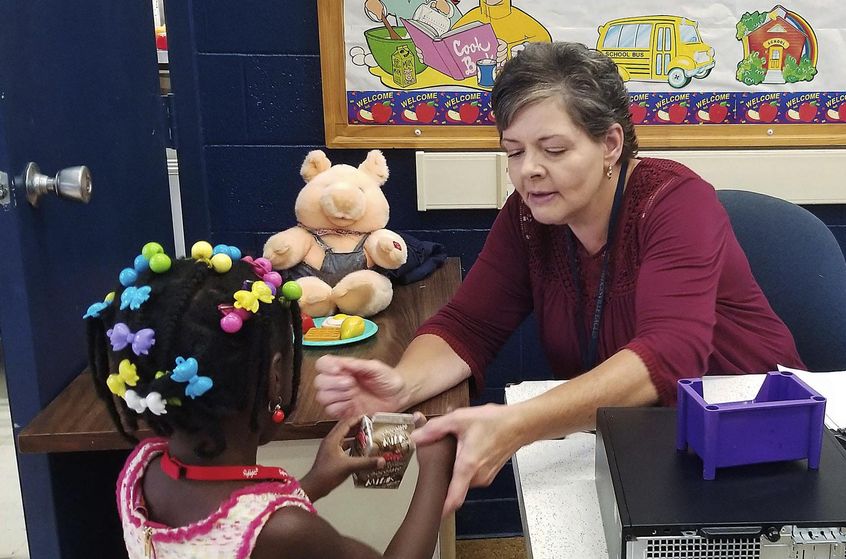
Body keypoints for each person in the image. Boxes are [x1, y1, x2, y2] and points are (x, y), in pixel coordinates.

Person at [314, 41, 805, 516]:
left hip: (752, 434)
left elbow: (671, 353)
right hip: (644, 443)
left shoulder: (677, 203)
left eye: (552, 149)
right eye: (513, 151)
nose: (528, 171)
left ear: (610, 143)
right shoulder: (527, 219)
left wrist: (517, 424)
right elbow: (468, 327)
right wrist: (400, 385)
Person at [84, 241, 453, 558]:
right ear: (275, 376)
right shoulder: (287, 531)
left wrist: (314, 481)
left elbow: (225, 537)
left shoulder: (143, 471)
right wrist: (436, 468)